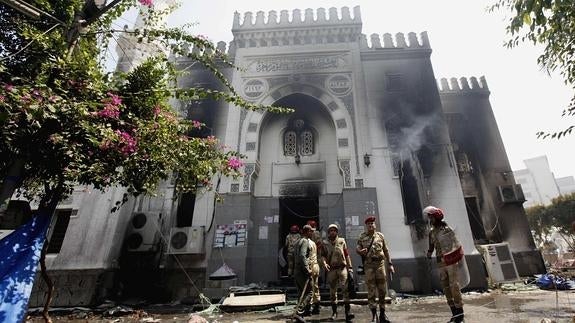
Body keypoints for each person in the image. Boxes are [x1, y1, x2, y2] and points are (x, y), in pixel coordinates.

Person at [424, 206, 464, 323]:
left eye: (431, 217)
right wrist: (429, 253)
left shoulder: (447, 229)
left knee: (454, 287)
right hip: (440, 262)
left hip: (451, 262)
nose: (430, 219)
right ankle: (454, 313)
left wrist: (458, 257)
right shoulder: (431, 232)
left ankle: (460, 314)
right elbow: (431, 246)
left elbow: (456, 244)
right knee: (446, 288)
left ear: (436, 218)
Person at [356, 215, 394, 323]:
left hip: (380, 265)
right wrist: (360, 251)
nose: (371, 225)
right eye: (368, 224)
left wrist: (390, 264)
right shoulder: (362, 237)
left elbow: (386, 251)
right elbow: (357, 248)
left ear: (375, 225)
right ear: (366, 226)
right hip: (369, 266)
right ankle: (374, 315)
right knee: (371, 291)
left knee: (382, 290)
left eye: (372, 223)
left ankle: (382, 315)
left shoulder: (380, 236)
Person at [321, 223, 354, 322]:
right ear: (328, 232)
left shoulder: (342, 241)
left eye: (334, 230)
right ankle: (334, 312)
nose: (332, 232)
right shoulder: (325, 243)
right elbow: (322, 255)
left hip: (342, 268)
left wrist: (350, 267)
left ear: (337, 232)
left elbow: (347, 254)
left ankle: (347, 312)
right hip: (331, 270)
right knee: (332, 292)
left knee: (345, 289)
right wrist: (324, 263)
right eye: (331, 230)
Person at [293, 224, 320, 319]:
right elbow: (302, 256)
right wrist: (307, 269)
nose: (312, 233)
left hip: (296, 271)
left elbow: (293, 257)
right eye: (311, 231)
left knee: (301, 293)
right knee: (310, 292)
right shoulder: (305, 241)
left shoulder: (297, 242)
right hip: (302, 272)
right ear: (307, 232)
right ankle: (299, 310)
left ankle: (299, 314)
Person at [306, 219, 322, 314]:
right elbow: (319, 245)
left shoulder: (311, 237)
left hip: (311, 263)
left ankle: (310, 307)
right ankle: (317, 306)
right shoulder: (317, 234)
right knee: (315, 286)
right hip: (316, 261)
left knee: (309, 286)